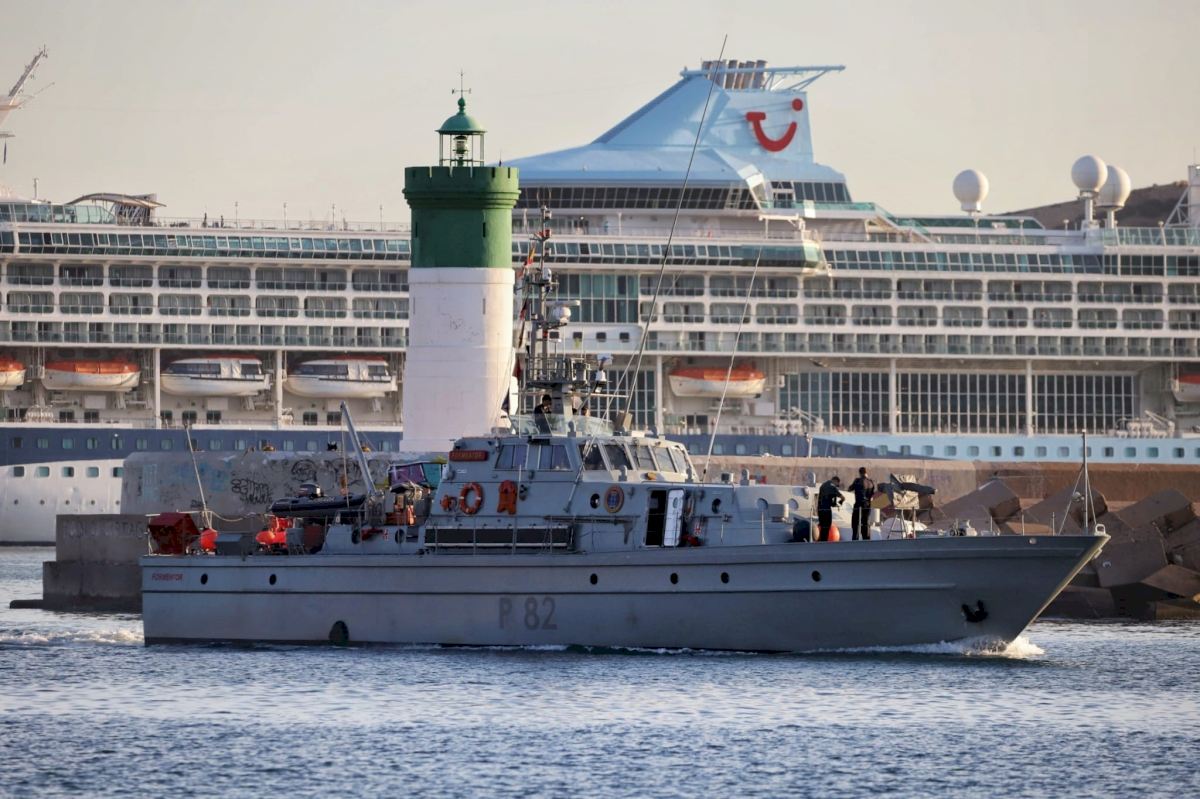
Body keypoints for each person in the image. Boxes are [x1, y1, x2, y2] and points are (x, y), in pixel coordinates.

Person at [849, 466, 876, 540]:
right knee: (866, 522)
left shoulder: (857, 480)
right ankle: (866, 539)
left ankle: (855, 539)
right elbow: (873, 494)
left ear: (860, 473)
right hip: (867, 504)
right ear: (866, 472)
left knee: (855, 522)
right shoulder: (871, 482)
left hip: (858, 503)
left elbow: (850, 489)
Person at [816, 475, 843, 542]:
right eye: (837, 484)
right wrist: (841, 501)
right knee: (827, 526)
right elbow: (842, 497)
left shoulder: (823, 485)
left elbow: (825, 498)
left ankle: (821, 541)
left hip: (820, 509)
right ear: (836, 481)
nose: (836, 486)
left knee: (822, 526)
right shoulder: (832, 487)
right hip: (826, 510)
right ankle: (824, 542)